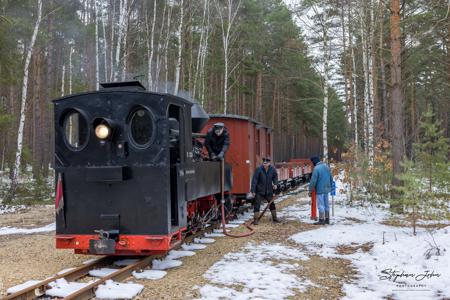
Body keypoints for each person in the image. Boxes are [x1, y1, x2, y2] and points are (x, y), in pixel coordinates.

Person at [250, 157, 280, 224]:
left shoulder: (272, 169)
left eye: (266, 163)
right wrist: (253, 191)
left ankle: (275, 218)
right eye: (264, 163)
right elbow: (254, 180)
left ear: (269, 163)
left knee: (272, 204)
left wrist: (275, 184)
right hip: (259, 191)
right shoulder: (259, 169)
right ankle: (255, 220)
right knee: (257, 204)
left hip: (269, 190)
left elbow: (275, 177)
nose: (264, 164)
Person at [308, 156, 333, 225]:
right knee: (326, 204)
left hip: (320, 189)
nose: (312, 164)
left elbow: (313, 181)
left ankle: (321, 220)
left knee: (320, 205)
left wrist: (310, 190)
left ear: (314, 162)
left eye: (312, 162)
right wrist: (330, 186)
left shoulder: (316, 169)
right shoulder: (326, 167)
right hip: (326, 189)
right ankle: (327, 219)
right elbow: (331, 178)